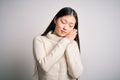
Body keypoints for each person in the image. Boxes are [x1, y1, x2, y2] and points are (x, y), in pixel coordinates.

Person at [33, 7, 83, 80]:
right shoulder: (40, 40)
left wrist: (68, 44)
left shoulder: (73, 44)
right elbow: (45, 67)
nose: (65, 27)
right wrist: (65, 41)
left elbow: (76, 74)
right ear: (55, 20)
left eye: (70, 25)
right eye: (63, 22)